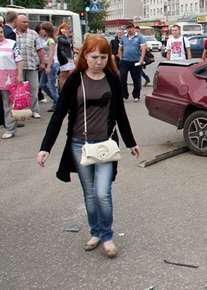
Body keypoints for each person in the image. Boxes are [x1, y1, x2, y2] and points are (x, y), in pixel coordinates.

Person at [37, 35, 140, 258]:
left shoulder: (112, 79)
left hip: (105, 145)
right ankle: (95, 232)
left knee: (103, 193)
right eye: (94, 57)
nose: (99, 61)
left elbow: (120, 113)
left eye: (103, 57)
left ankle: (107, 236)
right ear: (84, 56)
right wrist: (46, 147)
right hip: (79, 145)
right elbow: (59, 115)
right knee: (90, 194)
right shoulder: (75, 80)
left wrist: (131, 142)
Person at [15, 14, 44, 119]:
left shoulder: (33, 34)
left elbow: (39, 50)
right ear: (17, 22)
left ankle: (34, 110)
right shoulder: (13, 34)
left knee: (33, 89)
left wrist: (42, 62)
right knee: (19, 91)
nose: (26, 24)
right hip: (18, 67)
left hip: (31, 65)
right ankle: (20, 112)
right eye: (24, 22)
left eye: (27, 22)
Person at [0, 24, 24, 139]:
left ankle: (10, 128)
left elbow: (19, 59)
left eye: (1, 32)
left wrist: (19, 74)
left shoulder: (11, 44)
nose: (0, 34)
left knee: (8, 104)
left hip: (9, 77)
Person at [117, 24, 147, 102]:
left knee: (136, 80)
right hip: (125, 61)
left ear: (133, 28)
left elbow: (143, 49)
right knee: (122, 79)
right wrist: (121, 58)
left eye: (131, 28)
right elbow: (120, 48)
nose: (129, 29)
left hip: (135, 61)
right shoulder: (124, 38)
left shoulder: (139, 38)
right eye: (128, 28)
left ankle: (136, 95)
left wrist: (141, 59)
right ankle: (124, 95)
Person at [38, 23, 60, 113]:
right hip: (46, 64)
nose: (41, 31)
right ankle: (57, 100)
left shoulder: (51, 40)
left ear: (46, 30)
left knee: (51, 85)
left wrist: (49, 67)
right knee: (42, 84)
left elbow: (51, 54)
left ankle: (57, 102)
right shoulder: (45, 39)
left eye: (42, 29)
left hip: (52, 64)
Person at [57, 23, 76, 90]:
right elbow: (68, 42)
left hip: (69, 57)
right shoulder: (60, 37)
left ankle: (67, 88)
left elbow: (71, 44)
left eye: (67, 29)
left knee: (68, 73)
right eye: (65, 29)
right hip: (64, 58)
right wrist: (66, 36)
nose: (67, 31)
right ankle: (61, 89)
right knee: (63, 74)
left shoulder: (67, 37)